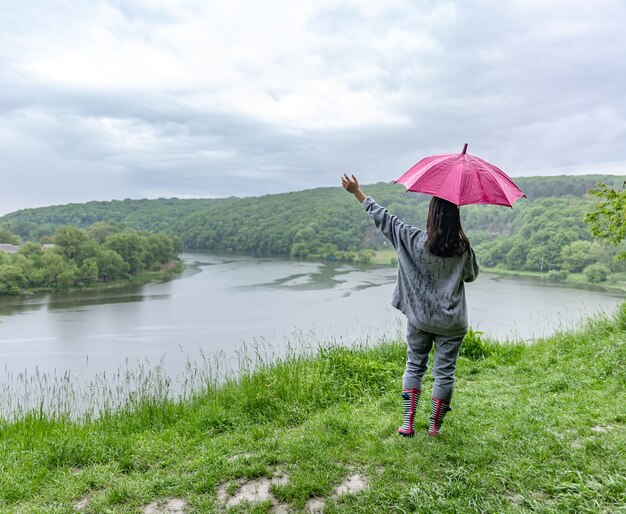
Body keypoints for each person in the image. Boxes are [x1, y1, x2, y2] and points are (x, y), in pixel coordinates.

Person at [340, 174, 479, 437]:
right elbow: (471, 276)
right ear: (455, 218)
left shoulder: (410, 239)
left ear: (431, 215)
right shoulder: (462, 247)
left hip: (419, 318)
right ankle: (435, 428)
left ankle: (407, 424)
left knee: (414, 365)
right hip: (452, 323)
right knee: (444, 373)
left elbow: (384, 218)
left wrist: (358, 192)